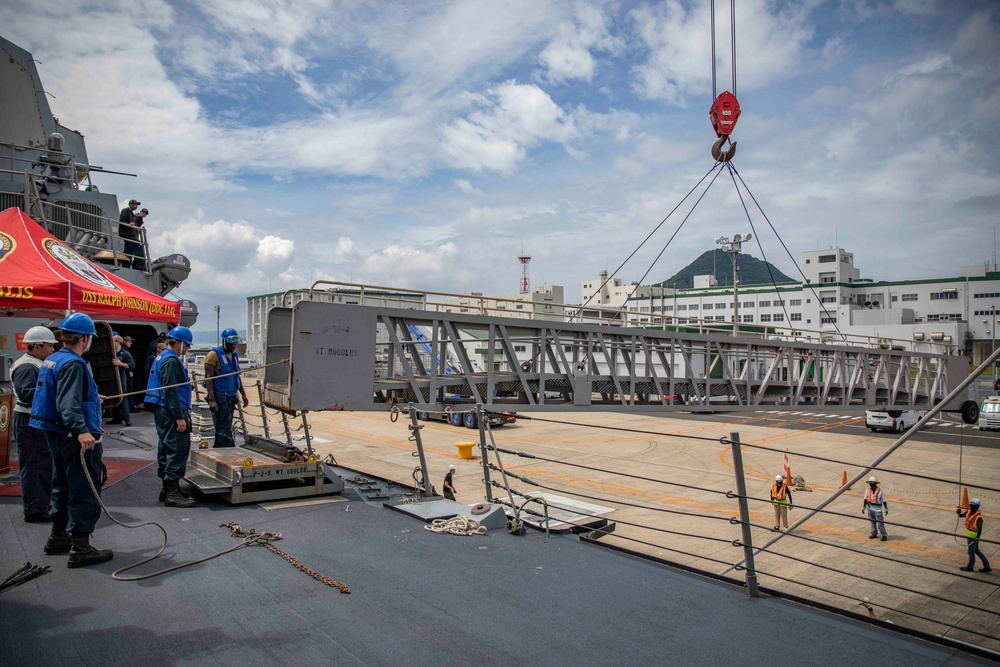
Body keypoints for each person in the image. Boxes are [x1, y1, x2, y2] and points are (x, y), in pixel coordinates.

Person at [29, 313, 113, 567]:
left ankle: (57, 537)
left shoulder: (53, 359)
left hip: (56, 434)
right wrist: (81, 431)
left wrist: (89, 397)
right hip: (73, 437)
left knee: (62, 486)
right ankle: (81, 547)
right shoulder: (74, 364)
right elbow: (67, 405)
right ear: (85, 338)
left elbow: (61, 395)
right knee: (83, 489)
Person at [145, 326, 196, 508]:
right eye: (187, 346)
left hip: (163, 410)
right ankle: (172, 492)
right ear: (179, 343)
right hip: (172, 411)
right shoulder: (171, 361)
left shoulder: (162, 357)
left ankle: (167, 489)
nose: (187, 349)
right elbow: (170, 391)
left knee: (166, 447)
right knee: (177, 448)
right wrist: (179, 417)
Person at [11, 326, 58, 523]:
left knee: (43, 463)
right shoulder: (27, 367)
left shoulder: (34, 363)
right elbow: (27, 394)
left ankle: (40, 502)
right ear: (37, 346)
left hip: (33, 419)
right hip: (28, 420)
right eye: (49, 346)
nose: (52, 349)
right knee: (35, 464)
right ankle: (35, 508)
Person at [204, 327, 249, 448]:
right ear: (224, 341)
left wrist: (243, 394)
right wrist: (212, 399)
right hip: (219, 397)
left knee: (224, 427)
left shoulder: (234, 355)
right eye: (230, 343)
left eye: (235, 344)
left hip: (231, 396)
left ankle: (218, 451)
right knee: (223, 429)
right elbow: (208, 378)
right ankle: (230, 452)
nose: (233, 346)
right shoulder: (213, 355)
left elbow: (236, 375)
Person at [957, 498, 992, 573]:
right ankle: (987, 565)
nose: (971, 507)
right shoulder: (969, 512)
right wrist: (958, 513)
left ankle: (970, 566)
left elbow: (980, 529)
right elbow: (961, 516)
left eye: (972, 506)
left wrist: (977, 538)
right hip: (969, 535)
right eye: (970, 505)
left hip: (974, 537)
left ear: (977, 507)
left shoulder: (978, 517)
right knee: (976, 551)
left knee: (970, 552)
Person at [108, 335, 134, 426]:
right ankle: (116, 418)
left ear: (117, 342)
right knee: (114, 397)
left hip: (121, 376)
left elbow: (132, 364)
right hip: (112, 377)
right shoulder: (111, 353)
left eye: (113, 341)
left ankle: (127, 418)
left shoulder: (125, 353)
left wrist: (120, 364)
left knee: (123, 397)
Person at [119, 198, 144, 270]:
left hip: (130, 233)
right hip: (127, 233)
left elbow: (137, 224)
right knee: (138, 248)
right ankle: (140, 265)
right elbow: (122, 220)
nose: (136, 206)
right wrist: (128, 224)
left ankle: (125, 265)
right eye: (135, 204)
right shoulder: (125, 211)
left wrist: (140, 217)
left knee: (128, 251)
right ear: (131, 204)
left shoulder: (132, 215)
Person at [863, 476, 888, 541]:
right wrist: (864, 507)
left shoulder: (880, 491)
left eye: (873, 484)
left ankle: (884, 535)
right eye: (870, 484)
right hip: (870, 508)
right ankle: (874, 533)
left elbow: (884, 500)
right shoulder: (867, 490)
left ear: (875, 484)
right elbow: (865, 499)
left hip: (877, 509)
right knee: (872, 522)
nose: (872, 486)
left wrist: (886, 508)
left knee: (880, 523)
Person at [122, 335, 136, 411]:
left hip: (126, 372)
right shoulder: (125, 351)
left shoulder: (125, 350)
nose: (130, 343)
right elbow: (128, 363)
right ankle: (130, 406)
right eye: (129, 341)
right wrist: (129, 370)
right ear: (124, 342)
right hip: (126, 373)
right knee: (128, 389)